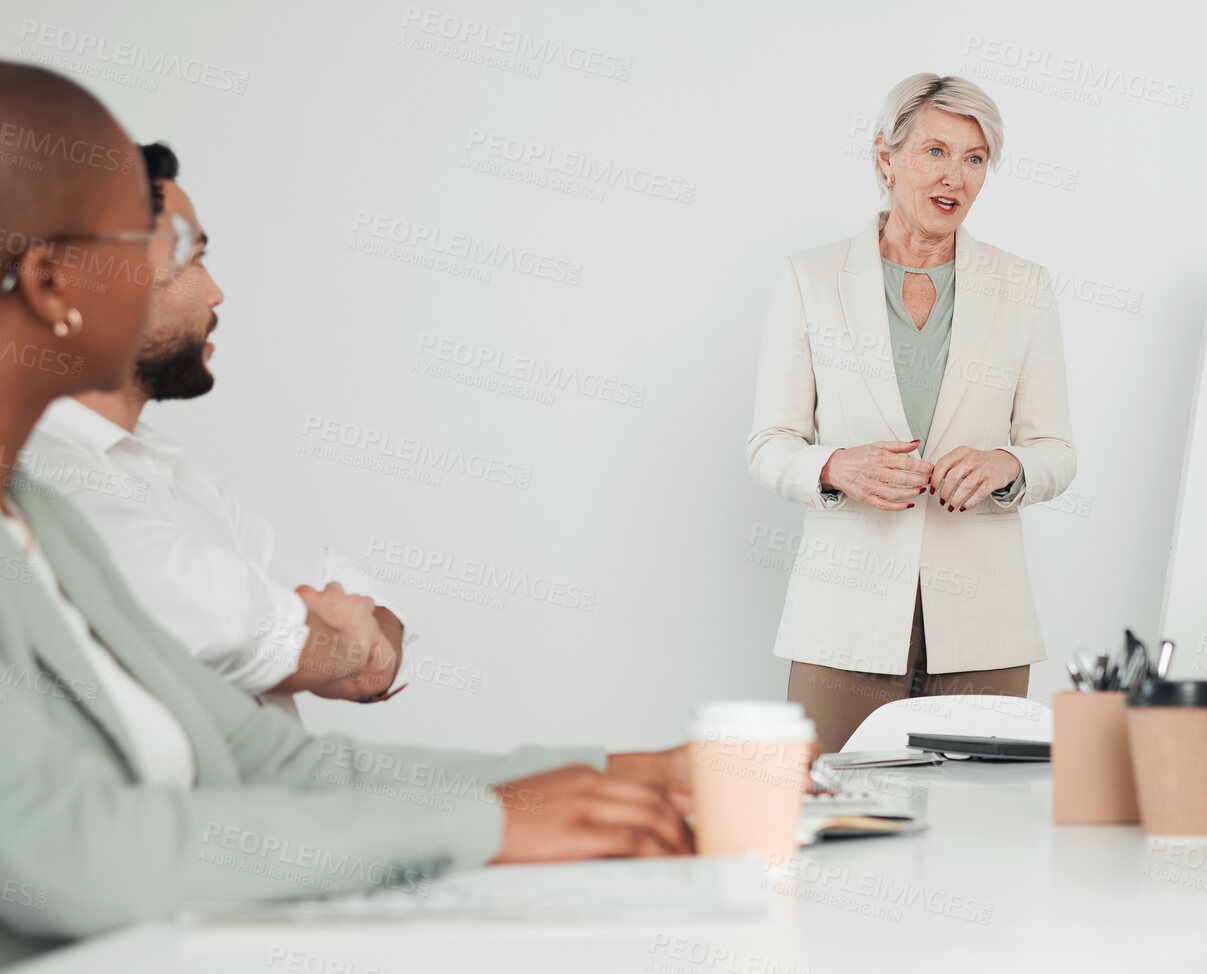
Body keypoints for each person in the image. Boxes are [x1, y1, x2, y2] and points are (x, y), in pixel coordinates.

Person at [0, 63, 696, 966]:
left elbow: (284, 767)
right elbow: (63, 856)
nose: (193, 282)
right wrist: (477, 826)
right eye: (146, 238)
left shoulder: (42, 522)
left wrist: (615, 779)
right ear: (54, 284)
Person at [747, 73, 1076, 752]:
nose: (955, 174)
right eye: (935, 151)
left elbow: (1055, 450)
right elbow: (769, 444)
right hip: (842, 623)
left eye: (975, 157)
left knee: (979, 835)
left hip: (985, 624)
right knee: (832, 827)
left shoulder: (1025, 286)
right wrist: (836, 466)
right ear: (885, 157)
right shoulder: (808, 279)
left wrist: (1006, 464)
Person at [21, 142, 410, 714]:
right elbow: (226, 623)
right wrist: (343, 643)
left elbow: (343, 581)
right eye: (189, 259)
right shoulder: (39, 468)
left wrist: (350, 644)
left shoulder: (166, 470)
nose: (214, 293)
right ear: (61, 286)